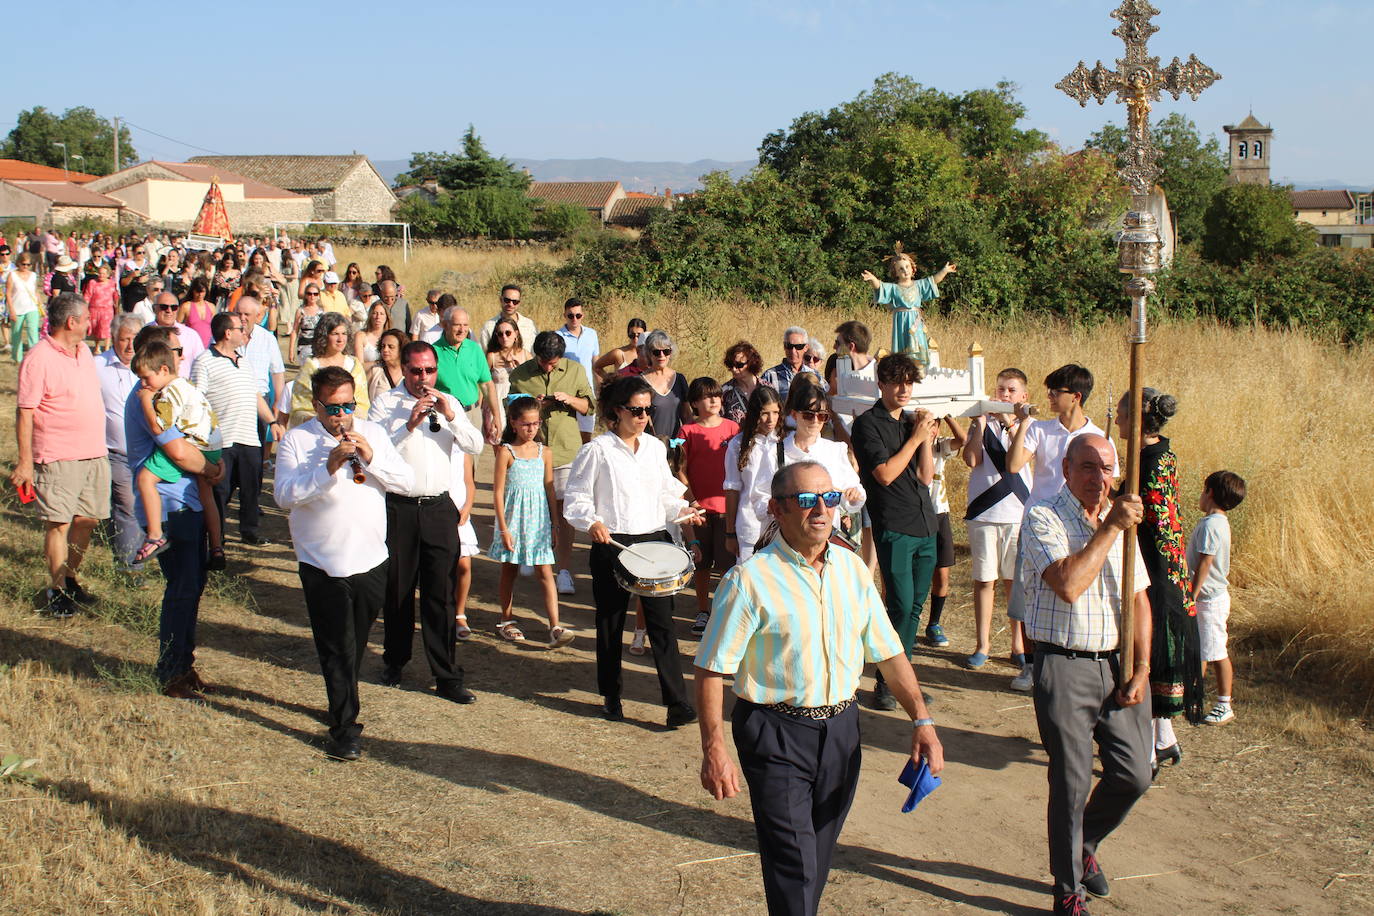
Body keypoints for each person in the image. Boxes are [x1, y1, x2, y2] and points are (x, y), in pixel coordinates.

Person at [695, 460, 943, 916]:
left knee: (818, 852)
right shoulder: (748, 581)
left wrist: (922, 720)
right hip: (775, 732)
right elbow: (712, 670)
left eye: (828, 498)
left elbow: (889, 653)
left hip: (842, 731)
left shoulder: (852, 570)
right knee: (795, 861)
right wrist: (714, 747)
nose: (820, 510)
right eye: (806, 500)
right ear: (776, 509)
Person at [1019, 434, 1152, 916]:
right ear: (1067, 470)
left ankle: (1084, 842)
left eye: (1108, 469)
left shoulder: (1123, 522)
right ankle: (1068, 889)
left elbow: (1139, 598)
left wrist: (1142, 666)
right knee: (1072, 783)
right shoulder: (1042, 517)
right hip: (1064, 664)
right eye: (1089, 468)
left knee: (1136, 773)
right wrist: (1110, 530)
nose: (1100, 479)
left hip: (1118, 667)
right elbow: (1069, 584)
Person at [275, 365, 415, 761]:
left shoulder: (373, 434)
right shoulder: (297, 442)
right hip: (323, 563)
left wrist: (371, 459)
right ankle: (344, 728)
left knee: (354, 646)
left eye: (349, 405)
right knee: (336, 648)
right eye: (333, 408)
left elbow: (405, 482)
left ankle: (341, 697)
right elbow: (284, 497)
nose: (342, 416)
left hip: (371, 560)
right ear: (316, 406)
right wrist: (328, 468)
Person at [563, 375, 700, 728]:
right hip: (612, 543)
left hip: (653, 542)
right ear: (616, 412)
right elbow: (576, 496)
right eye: (636, 410)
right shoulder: (597, 450)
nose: (643, 416)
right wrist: (591, 521)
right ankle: (611, 696)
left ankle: (677, 702)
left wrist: (683, 510)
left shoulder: (655, 448)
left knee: (662, 625)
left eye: (648, 409)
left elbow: (667, 493)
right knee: (610, 622)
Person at [371, 341, 484, 703]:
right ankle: (395, 660)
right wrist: (409, 424)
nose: (423, 378)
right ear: (403, 369)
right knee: (399, 591)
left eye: (429, 371)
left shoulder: (447, 401)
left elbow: (476, 444)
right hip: (399, 508)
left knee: (441, 596)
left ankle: (447, 675)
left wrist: (450, 415)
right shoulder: (386, 404)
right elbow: (375, 454)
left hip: (438, 508)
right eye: (416, 371)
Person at [124, 325, 222, 698]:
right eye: (174, 351)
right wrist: (213, 469)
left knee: (190, 587)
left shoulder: (166, 393)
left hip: (185, 502)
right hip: (171, 507)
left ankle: (183, 663)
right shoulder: (150, 398)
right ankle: (171, 672)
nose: (181, 357)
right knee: (182, 590)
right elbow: (179, 452)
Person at [1006, 363, 1116, 691]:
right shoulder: (1041, 430)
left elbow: (1110, 481)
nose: (1050, 397)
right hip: (1040, 522)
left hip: (1078, 525)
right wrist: (1024, 424)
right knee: (1028, 595)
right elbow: (1014, 465)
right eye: (1050, 391)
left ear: (1076, 397)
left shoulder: (1097, 436)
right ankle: (1029, 663)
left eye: (1057, 392)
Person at [1113, 387, 1202, 770]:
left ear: (1136, 419)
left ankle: (1146, 750)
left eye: (1120, 413)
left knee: (1147, 660)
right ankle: (1164, 740)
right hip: (1170, 571)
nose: (1116, 420)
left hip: (1157, 576)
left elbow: (1136, 515)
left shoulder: (1147, 463)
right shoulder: (1161, 453)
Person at [850, 354, 940, 712]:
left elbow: (926, 477)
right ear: (881, 384)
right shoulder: (867, 425)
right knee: (899, 605)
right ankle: (887, 682)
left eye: (909, 383)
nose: (904, 390)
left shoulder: (910, 424)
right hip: (894, 525)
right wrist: (915, 438)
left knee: (915, 606)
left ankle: (904, 680)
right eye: (897, 382)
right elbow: (884, 475)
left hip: (924, 523)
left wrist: (926, 440)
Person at [12, 292, 110, 617]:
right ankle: (56, 591)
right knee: (59, 523)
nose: (90, 323)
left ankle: (69, 579)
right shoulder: (39, 358)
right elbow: (24, 413)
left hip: (93, 452)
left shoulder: (83, 351)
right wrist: (26, 462)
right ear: (72, 322)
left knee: (88, 519)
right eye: (85, 319)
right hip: (56, 455)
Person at [507, 330, 594, 595]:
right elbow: (510, 407)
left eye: (553, 362)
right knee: (533, 504)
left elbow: (590, 406)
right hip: (529, 450)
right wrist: (532, 404)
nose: (548, 366)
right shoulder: (520, 374)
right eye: (544, 361)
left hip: (566, 449)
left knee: (564, 509)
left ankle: (564, 569)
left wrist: (570, 400)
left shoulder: (576, 370)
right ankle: (530, 553)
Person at [192, 312, 283, 564]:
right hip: (222, 439)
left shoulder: (243, 361)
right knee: (220, 491)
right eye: (240, 328)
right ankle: (217, 539)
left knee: (252, 488)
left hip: (249, 438)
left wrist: (272, 422)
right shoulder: (204, 361)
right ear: (227, 333)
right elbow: (197, 401)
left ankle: (249, 531)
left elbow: (255, 396)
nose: (245, 332)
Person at [961, 368, 1034, 669]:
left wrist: (1010, 422)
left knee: (1013, 583)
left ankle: (1018, 644)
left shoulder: (1030, 427)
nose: (1004, 395)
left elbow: (1023, 459)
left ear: (1023, 397)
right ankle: (983, 644)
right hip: (984, 512)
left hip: (1017, 512)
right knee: (984, 579)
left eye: (1011, 391)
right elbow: (971, 460)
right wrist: (979, 425)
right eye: (1000, 389)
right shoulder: (983, 423)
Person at [489, 398, 576, 648]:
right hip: (513, 519)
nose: (531, 429)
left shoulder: (544, 452)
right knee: (509, 569)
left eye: (536, 423)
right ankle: (506, 620)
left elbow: (549, 489)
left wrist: (554, 524)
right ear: (514, 423)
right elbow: (497, 492)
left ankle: (555, 626)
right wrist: (503, 528)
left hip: (539, 521)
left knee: (545, 571)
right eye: (526, 424)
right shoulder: (506, 452)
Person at [129, 341, 224, 568]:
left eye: (146, 378)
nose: (143, 384)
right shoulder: (187, 385)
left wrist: (145, 401)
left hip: (193, 446)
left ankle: (154, 534)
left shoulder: (167, 394)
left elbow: (158, 427)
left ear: (163, 370)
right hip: (212, 447)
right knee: (206, 496)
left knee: (145, 479)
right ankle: (217, 546)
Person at [676, 376, 740, 635]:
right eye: (706, 396)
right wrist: (690, 500)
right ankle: (703, 611)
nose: (714, 400)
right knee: (701, 565)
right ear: (694, 403)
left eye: (716, 395)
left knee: (727, 568)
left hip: (728, 509)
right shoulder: (686, 432)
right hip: (699, 510)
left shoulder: (734, 429)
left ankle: (724, 613)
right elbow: (678, 469)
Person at [1189, 470, 1245, 727]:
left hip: (1209, 599)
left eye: (1203, 490)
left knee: (1216, 652)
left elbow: (1205, 563)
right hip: (1207, 597)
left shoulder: (1212, 525)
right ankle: (1194, 695)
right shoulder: (1215, 522)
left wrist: (1192, 594)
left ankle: (1224, 703)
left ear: (1209, 492)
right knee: (1202, 649)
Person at [98, 315, 144, 568]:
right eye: (123, 339)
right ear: (113, 338)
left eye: (134, 340)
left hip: (147, 453)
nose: (129, 346)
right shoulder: (98, 366)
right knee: (127, 503)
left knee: (143, 505)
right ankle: (131, 565)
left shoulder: (147, 366)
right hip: (116, 451)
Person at [860, 244, 956, 363]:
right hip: (901, 321)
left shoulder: (919, 285)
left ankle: (918, 368)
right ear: (895, 273)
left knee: (918, 347)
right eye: (901, 269)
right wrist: (873, 279)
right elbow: (881, 287)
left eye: (907, 267)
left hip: (915, 321)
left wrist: (944, 270)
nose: (905, 270)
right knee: (903, 351)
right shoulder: (894, 288)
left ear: (912, 268)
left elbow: (933, 281)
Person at [724, 385, 783, 562]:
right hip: (749, 527)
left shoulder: (784, 442)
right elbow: (732, 490)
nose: (770, 419)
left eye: (775, 412)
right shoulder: (737, 445)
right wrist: (730, 533)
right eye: (765, 413)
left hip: (781, 526)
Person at [923, 415, 967, 649]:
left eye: (934, 424)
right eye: (926, 424)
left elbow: (963, 439)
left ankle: (934, 623)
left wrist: (949, 415)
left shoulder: (941, 447)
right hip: (917, 516)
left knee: (942, 573)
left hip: (940, 514)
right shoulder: (908, 446)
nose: (931, 429)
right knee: (915, 573)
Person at [433, 305, 501, 443]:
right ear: (445, 325)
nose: (462, 330)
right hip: (445, 415)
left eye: (465, 325)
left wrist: (496, 416)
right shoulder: (433, 351)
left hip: (472, 415)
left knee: (472, 460)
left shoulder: (474, 349)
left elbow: (487, 384)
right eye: (457, 325)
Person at [288, 313, 369, 428]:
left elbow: (362, 404)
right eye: (335, 334)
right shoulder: (311, 367)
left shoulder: (354, 365)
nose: (340, 339)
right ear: (324, 336)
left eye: (344, 334)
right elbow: (299, 408)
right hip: (317, 431)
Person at [554, 298, 600, 441]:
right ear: (564, 316)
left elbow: (596, 363)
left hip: (587, 391)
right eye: (570, 315)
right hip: (565, 390)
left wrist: (600, 388)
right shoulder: (557, 336)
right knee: (566, 435)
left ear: (583, 315)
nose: (574, 319)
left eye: (578, 315)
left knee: (586, 435)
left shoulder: (592, 334)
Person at [639, 329, 691, 441]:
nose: (661, 355)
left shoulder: (680, 379)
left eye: (666, 351)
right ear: (648, 353)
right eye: (656, 352)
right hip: (649, 446)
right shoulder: (640, 382)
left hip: (675, 446)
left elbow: (686, 415)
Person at [148, 291, 206, 379]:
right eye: (164, 307)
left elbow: (202, 365)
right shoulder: (145, 333)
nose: (169, 310)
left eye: (174, 307)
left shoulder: (191, 335)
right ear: (154, 309)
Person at [759, 326, 817, 399]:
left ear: (806, 347)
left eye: (798, 346)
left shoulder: (815, 375)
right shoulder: (769, 376)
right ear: (784, 346)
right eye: (789, 346)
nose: (793, 351)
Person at [485, 316, 531, 405]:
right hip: (497, 403)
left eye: (508, 333)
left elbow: (533, 381)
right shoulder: (492, 356)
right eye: (500, 334)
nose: (504, 337)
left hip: (520, 404)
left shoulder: (526, 355)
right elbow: (484, 382)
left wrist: (521, 368)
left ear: (516, 334)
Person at [478, 283, 537, 350]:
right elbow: (483, 354)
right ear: (501, 300)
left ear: (519, 303)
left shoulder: (529, 325)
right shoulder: (489, 326)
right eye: (507, 300)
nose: (510, 304)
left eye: (515, 302)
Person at [719, 341, 764, 426]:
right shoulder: (724, 392)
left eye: (739, 365)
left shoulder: (767, 388)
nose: (734, 369)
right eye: (731, 365)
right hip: (733, 438)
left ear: (752, 363)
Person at [7, 253, 40, 363]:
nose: (25, 267)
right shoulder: (12, 275)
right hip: (17, 308)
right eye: (23, 264)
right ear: (18, 263)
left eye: (28, 264)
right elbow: (8, 293)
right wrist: (11, 310)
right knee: (16, 335)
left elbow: (35, 291)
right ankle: (17, 358)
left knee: (33, 333)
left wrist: (39, 304)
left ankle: (33, 358)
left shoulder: (33, 275)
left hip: (32, 308)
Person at [83, 262, 119, 353]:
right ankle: (97, 346)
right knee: (96, 329)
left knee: (106, 329)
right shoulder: (92, 283)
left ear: (108, 274)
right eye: (100, 273)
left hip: (107, 310)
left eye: (103, 273)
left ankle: (106, 347)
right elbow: (87, 296)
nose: (101, 275)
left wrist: (116, 306)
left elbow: (115, 296)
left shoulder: (112, 283)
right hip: (94, 309)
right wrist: (84, 308)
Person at [289, 283, 325, 366]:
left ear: (318, 295)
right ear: (305, 295)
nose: (312, 296)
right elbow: (295, 330)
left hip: (318, 346)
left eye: (315, 294)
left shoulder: (322, 311)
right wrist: (291, 351)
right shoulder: (300, 311)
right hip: (304, 346)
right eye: (309, 293)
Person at [368, 329, 407, 403]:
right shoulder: (375, 371)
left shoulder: (409, 372)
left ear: (401, 349)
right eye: (383, 346)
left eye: (390, 347)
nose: (385, 349)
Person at [178, 278, 215, 348]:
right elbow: (177, 326)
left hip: (208, 346)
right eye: (198, 292)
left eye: (202, 292)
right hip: (191, 345)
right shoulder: (186, 306)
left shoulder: (211, 307)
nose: (200, 295)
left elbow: (214, 328)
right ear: (193, 291)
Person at [355, 300, 390, 368]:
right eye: (375, 313)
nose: (378, 317)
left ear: (386, 317)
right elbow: (359, 366)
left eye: (381, 314)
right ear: (370, 316)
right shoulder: (361, 336)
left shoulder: (391, 337)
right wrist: (381, 363)